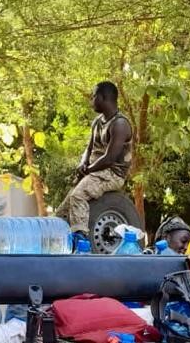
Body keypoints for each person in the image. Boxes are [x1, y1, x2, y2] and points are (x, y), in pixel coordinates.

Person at [55, 81, 133, 240]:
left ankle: (81, 238)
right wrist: (83, 164)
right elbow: (89, 149)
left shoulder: (120, 124)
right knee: (62, 212)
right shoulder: (97, 122)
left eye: (93, 96)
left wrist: (88, 169)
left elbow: (110, 158)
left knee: (78, 196)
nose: (91, 100)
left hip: (112, 174)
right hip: (94, 171)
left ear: (104, 98)